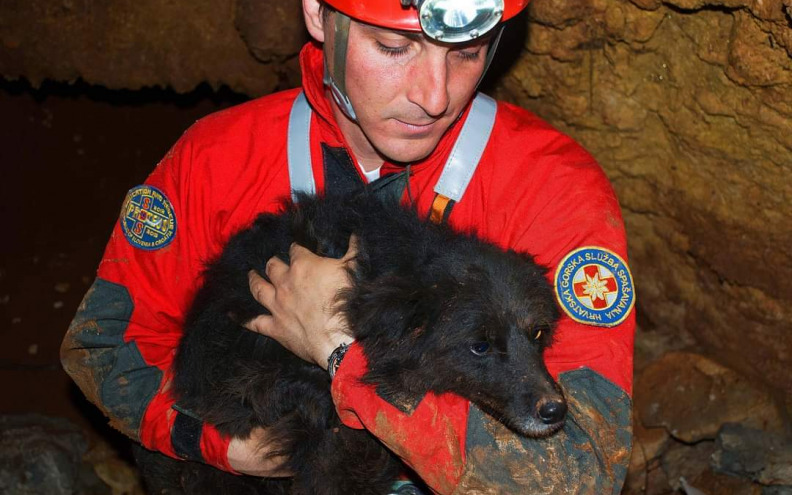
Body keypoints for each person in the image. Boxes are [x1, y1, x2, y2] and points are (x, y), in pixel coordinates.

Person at [61, 0, 636, 492]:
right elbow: (106, 347)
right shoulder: (216, 158)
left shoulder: (551, 189)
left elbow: (579, 469)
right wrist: (222, 444)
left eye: (466, 52)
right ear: (316, 12)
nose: (434, 96)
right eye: (393, 47)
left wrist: (338, 349)